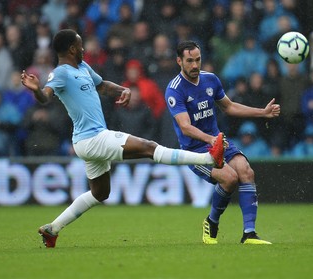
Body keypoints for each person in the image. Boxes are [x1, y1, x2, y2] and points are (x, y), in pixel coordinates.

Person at [20, 29, 225, 248]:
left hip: (88, 141)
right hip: (93, 138)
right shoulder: (60, 73)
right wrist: (36, 90)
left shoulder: (82, 67)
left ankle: (53, 229)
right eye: (80, 45)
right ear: (72, 48)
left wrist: (122, 90)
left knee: (100, 192)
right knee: (149, 147)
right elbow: (45, 96)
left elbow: (102, 86)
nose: (84, 48)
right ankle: (208, 159)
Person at [165, 41, 280, 245]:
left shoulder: (210, 80)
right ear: (179, 61)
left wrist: (262, 112)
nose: (194, 65)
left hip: (218, 141)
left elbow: (229, 106)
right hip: (196, 150)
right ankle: (211, 221)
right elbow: (185, 127)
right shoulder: (174, 90)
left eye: (198, 60)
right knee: (229, 179)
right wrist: (210, 139)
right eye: (189, 61)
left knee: (246, 172)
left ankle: (249, 233)